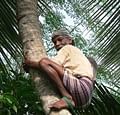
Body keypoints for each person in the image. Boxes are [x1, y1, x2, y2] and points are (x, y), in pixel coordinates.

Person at [23, 29, 97, 110]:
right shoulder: (80, 56)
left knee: (44, 62)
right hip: (85, 98)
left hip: (80, 87)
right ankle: (67, 97)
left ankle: (67, 97)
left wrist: (30, 64)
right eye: (55, 42)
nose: (57, 44)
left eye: (60, 40)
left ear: (69, 40)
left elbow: (50, 63)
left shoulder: (68, 48)